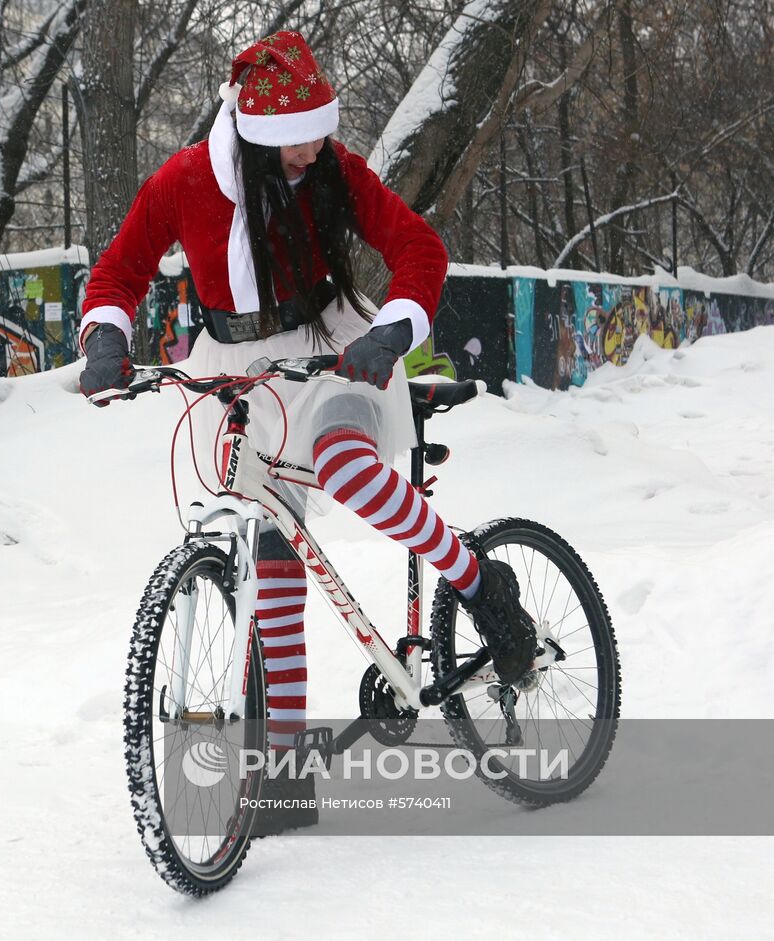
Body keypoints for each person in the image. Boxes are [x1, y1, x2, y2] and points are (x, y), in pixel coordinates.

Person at [78, 31, 536, 833]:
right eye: (297, 143)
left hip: (337, 353)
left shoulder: (331, 168)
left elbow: (417, 247)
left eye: (320, 133)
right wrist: (105, 336)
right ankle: (285, 773)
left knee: (347, 465)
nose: (317, 149)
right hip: (243, 369)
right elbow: (120, 268)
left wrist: (392, 332)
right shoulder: (184, 182)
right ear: (253, 144)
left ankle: (476, 579)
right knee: (271, 548)